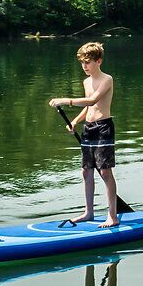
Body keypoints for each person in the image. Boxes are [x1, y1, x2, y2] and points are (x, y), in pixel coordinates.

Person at [50, 41, 119, 226]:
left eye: (88, 62)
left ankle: (112, 216)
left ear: (99, 61)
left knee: (105, 172)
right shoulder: (86, 81)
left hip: (103, 127)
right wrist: (75, 121)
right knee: (86, 171)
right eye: (82, 62)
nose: (84, 66)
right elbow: (89, 108)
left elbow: (92, 100)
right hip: (88, 128)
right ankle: (89, 212)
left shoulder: (107, 79)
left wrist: (66, 100)